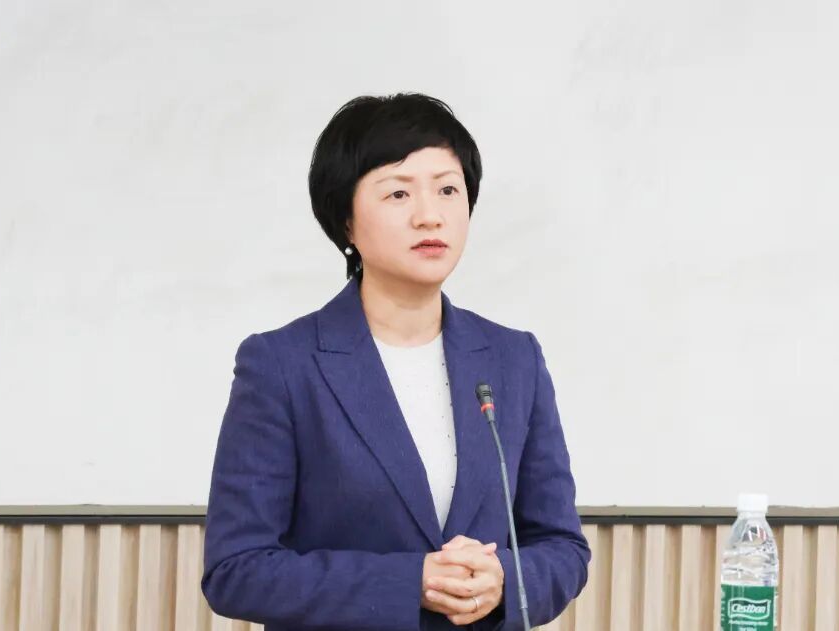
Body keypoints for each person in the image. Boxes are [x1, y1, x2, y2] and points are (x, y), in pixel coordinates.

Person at [201, 93, 590, 630]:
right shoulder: (283, 365)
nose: (430, 216)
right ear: (346, 221)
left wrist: (504, 579)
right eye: (398, 193)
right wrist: (410, 583)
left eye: (448, 190)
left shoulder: (513, 358)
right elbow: (236, 570)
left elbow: (562, 547)